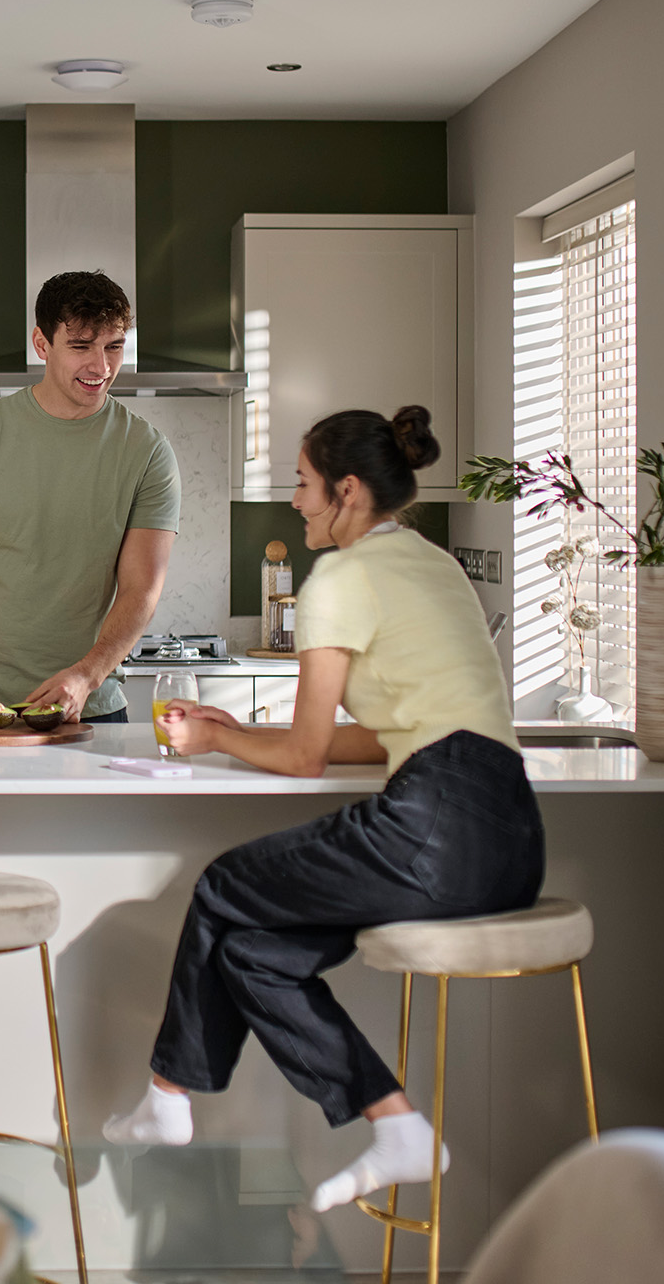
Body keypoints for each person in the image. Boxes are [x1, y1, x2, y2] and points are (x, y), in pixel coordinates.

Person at [102, 405, 541, 1216]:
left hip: (431, 826)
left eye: (303, 484)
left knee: (224, 883)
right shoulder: (435, 565)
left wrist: (216, 744)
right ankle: (395, 1124)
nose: (294, 501)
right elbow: (377, 741)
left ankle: (168, 1093)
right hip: (507, 835)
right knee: (255, 954)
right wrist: (240, 731)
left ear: (345, 490)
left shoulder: (339, 577)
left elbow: (308, 755)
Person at [0, 271, 178, 724]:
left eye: (114, 346)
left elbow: (141, 588)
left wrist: (87, 674)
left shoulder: (148, 452)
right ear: (42, 344)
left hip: (88, 710)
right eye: (81, 346)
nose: (101, 366)